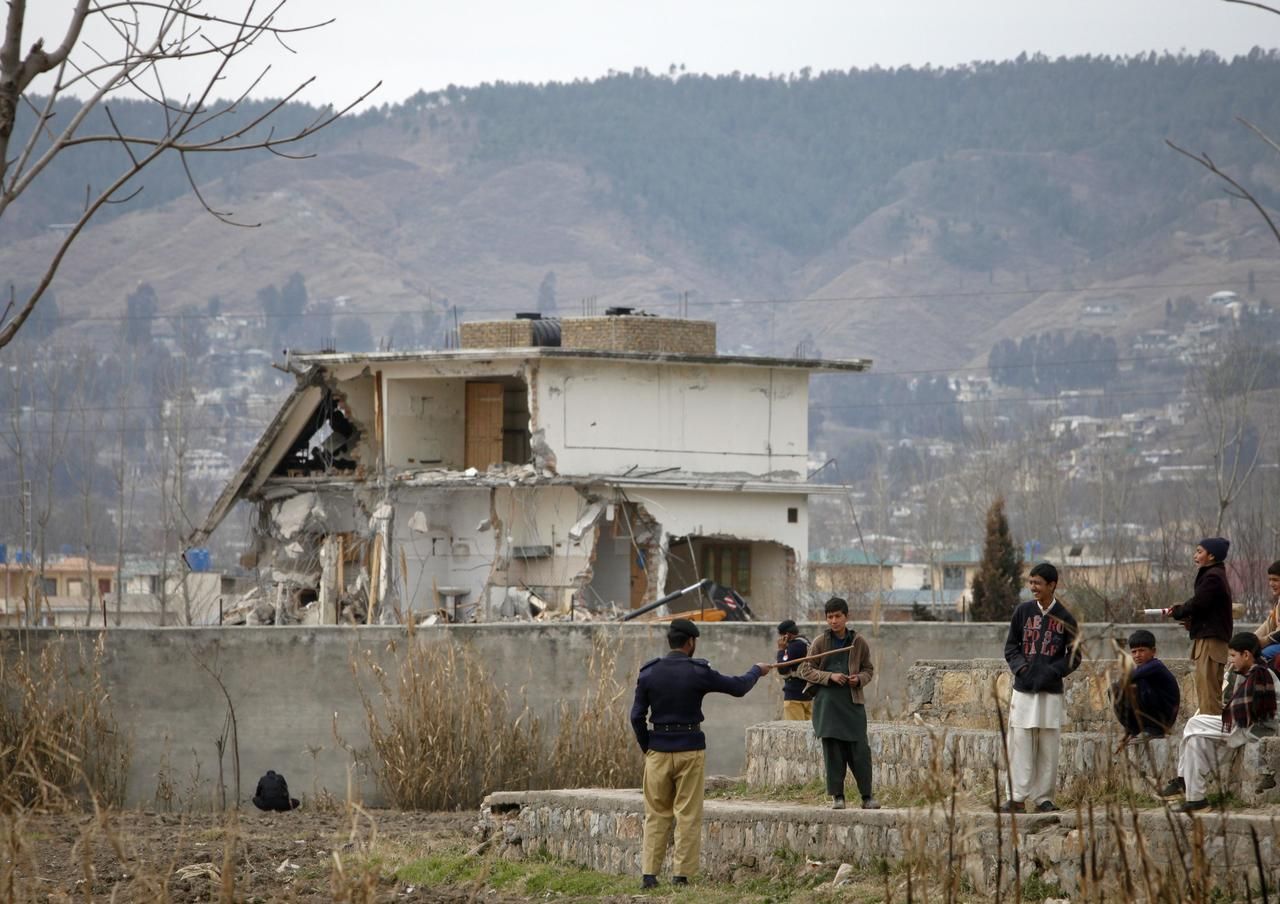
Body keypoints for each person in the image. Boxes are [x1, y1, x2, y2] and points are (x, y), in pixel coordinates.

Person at [629, 617, 774, 889]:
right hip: (690, 749)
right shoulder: (698, 671)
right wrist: (756, 670)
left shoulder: (649, 672)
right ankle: (680, 876)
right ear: (691, 642)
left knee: (656, 813)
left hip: (657, 750)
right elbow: (738, 687)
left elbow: (636, 715)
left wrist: (647, 746)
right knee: (687, 813)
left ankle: (649, 875)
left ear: (670, 642)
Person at [1160, 632, 1278, 813]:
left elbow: (1264, 714)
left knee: (1194, 723)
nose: (1230, 661)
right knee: (1195, 741)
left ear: (1246, 655)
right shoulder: (1244, 674)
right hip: (1239, 726)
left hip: (1253, 729)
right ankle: (1196, 800)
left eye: (1233, 656)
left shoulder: (1262, 675)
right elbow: (1232, 703)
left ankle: (1181, 779)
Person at [999, 562, 1081, 814]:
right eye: (1030, 583)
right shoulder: (1022, 612)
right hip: (1023, 690)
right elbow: (1011, 647)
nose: (1032, 588)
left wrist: (1052, 671)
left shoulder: (1066, 618)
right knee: (1020, 742)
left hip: (1050, 692)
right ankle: (1016, 797)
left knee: (1048, 745)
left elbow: (1075, 655)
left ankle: (1044, 798)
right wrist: (1023, 669)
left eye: (1037, 583)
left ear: (1052, 585)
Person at [796, 597, 880, 810]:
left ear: (846, 617)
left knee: (860, 751)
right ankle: (838, 797)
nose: (834, 621)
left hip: (852, 706)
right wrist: (829, 676)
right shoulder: (820, 643)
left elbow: (868, 669)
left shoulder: (858, 642)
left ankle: (867, 796)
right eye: (830, 617)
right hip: (828, 708)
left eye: (838, 616)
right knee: (833, 753)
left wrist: (858, 679)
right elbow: (805, 670)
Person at [1165, 537, 1233, 717]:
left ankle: (1211, 732)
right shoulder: (1213, 575)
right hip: (1207, 638)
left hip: (1211, 641)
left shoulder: (1213, 577)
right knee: (1206, 690)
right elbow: (1206, 608)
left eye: (1199, 551)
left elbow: (1199, 603)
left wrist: (1180, 611)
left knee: (1209, 692)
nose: (1195, 555)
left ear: (1211, 556)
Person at [1112, 628, 1181, 744]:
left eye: (1141, 651)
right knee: (1115, 689)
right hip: (1148, 718)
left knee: (1135, 683)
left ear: (1153, 651)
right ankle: (1134, 729)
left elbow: (1130, 677)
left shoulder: (1156, 666)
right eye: (1134, 652)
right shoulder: (1140, 670)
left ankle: (1154, 730)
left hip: (1162, 719)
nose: (1137, 655)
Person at [775, 619, 812, 721]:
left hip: (794, 697)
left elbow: (782, 669)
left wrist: (781, 650)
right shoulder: (806, 643)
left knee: (796, 732)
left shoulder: (794, 646)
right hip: (808, 695)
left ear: (786, 635)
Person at [1252, 561, 1280, 663]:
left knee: (1260, 655)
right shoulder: (1278, 603)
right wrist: (1250, 639)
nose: (1271, 584)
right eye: (1270, 580)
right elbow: (1269, 624)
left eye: (1275, 580)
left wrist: (1265, 641)